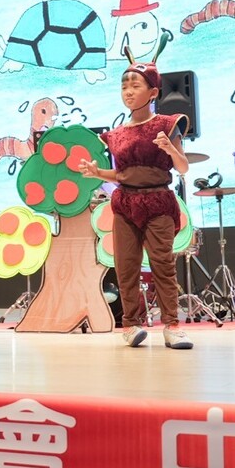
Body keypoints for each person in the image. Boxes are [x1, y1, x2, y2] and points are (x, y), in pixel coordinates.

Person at [79, 61, 193, 349]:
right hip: (126, 203)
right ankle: (130, 325)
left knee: (162, 265)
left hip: (158, 201)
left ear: (153, 92)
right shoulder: (117, 133)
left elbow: (183, 167)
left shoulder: (167, 125)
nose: (128, 91)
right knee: (126, 266)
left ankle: (172, 325)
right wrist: (97, 172)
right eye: (124, 86)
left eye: (135, 85)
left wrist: (170, 149)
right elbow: (122, 175)